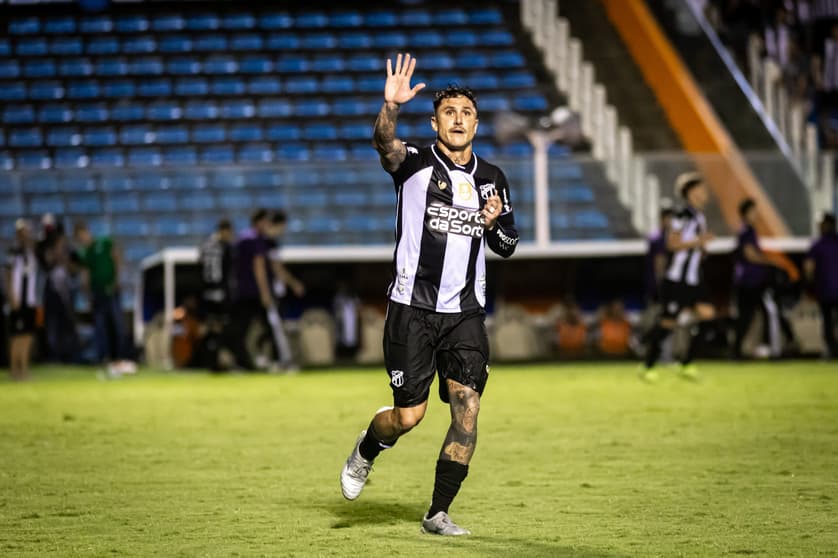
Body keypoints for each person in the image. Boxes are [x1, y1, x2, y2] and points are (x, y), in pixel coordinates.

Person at [340, 53, 520, 536]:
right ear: (435, 121)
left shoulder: (493, 178)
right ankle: (367, 450)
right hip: (412, 309)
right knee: (408, 416)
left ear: (476, 124)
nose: (458, 120)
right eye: (449, 112)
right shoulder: (415, 162)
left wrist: (496, 222)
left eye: (466, 113)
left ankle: (437, 513)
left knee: (468, 407)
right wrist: (389, 106)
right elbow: (384, 143)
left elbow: (506, 246)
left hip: (464, 314)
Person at [641, 172, 715, 382]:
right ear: (691, 192)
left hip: (693, 279)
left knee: (708, 316)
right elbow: (672, 244)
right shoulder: (682, 215)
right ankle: (647, 364)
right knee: (667, 324)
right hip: (676, 279)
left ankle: (687, 363)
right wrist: (699, 242)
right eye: (701, 189)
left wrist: (701, 250)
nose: (705, 193)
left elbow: (692, 246)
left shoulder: (699, 216)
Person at [230, 209, 288, 371]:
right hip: (254, 292)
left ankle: (241, 362)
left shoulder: (242, 238)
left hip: (241, 290)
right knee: (271, 326)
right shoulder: (256, 240)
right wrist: (265, 293)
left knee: (241, 329)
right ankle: (278, 361)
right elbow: (259, 267)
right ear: (260, 222)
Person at [74, 221, 134, 376]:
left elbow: (117, 256)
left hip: (112, 290)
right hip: (98, 292)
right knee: (100, 327)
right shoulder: (86, 253)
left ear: (87, 232)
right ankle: (103, 358)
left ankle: (122, 357)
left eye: (83, 235)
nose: (82, 239)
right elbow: (85, 273)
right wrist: (87, 294)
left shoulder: (104, 242)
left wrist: (117, 279)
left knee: (118, 323)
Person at [731, 198, 786, 359]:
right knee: (750, 316)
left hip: (751, 281)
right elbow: (750, 254)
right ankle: (745, 349)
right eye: (753, 211)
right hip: (749, 282)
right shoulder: (747, 232)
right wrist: (770, 262)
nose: (756, 215)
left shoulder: (748, 231)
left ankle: (752, 348)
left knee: (754, 315)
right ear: (746, 213)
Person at [263, 210, 305, 371]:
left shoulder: (268, 242)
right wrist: (294, 283)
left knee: (273, 325)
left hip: (274, 291)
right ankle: (283, 361)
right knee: (276, 326)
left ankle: (275, 359)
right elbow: (277, 268)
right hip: (271, 291)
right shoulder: (269, 242)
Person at [198, 219, 235, 371]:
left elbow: (199, 267)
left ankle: (209, 361)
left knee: (210, 328)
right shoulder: (224, 247)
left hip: (206, 294)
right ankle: (217, 363)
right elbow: (228, 271)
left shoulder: (205, 245)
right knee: (220, 328)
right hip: (220, 293)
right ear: (225, 231)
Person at [5, 219, 39, 381]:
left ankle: (24, 369)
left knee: (28, 336)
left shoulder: (30, 252)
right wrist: (12, 297)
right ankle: (14, 370)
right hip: (19, 300)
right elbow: (8, 275)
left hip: (30, 300)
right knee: (17, 336)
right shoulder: (14, 252)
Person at [804, 212, 838, 358]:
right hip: (830, 289)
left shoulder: (817, 245)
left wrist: (808, 284)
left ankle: (832, 350)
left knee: (828, 321)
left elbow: (809, 267)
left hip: (825, 289)